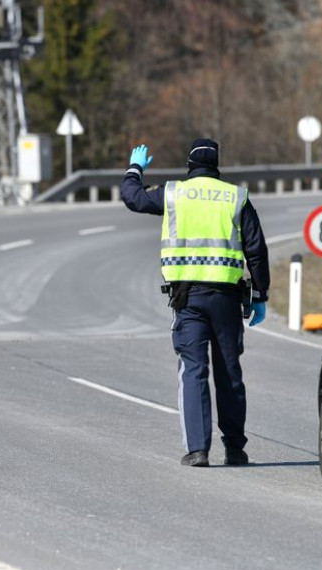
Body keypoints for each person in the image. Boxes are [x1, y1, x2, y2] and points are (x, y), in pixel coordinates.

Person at [120, 138, 270, 467]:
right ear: (217, 165)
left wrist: (135, 168)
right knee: (229, 372)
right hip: (227, 299)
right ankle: (235, 448)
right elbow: (256, 250)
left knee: (193, 370)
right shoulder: (235, 196)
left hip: (187, 299)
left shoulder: (174, 193)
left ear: (190, 165)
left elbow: (133, 198)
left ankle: (198, 450)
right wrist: (260, 295)